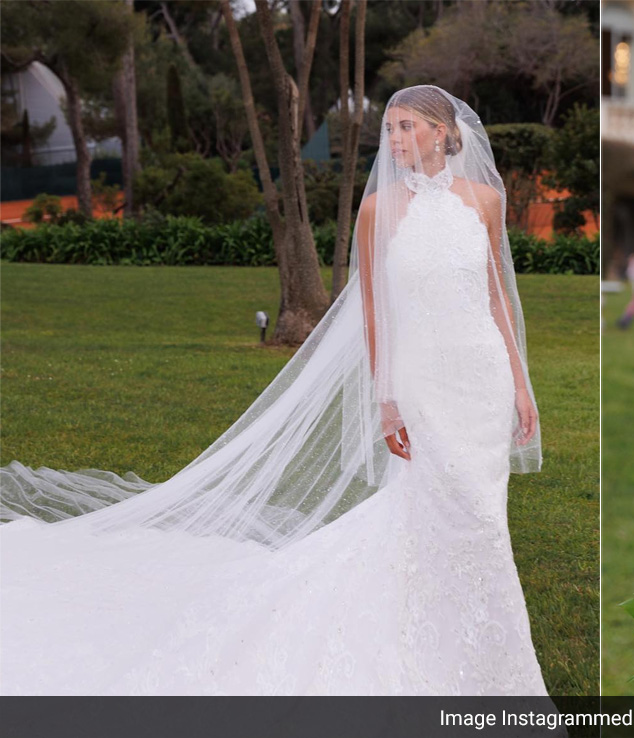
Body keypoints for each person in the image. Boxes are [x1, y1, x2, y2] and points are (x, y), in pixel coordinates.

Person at [0, 85, 550, 696]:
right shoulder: (378, 211)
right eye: (388, 129)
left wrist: (521, 383)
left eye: (407, 127)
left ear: (445, 133)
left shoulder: (485, 201)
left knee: (482, 517)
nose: (394, 141)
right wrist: (386, 396)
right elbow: (372, 313)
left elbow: (497, 295)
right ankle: (428, 639)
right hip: (423, 381)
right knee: (446, 506)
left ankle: (480, 651)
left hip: (483, 378)